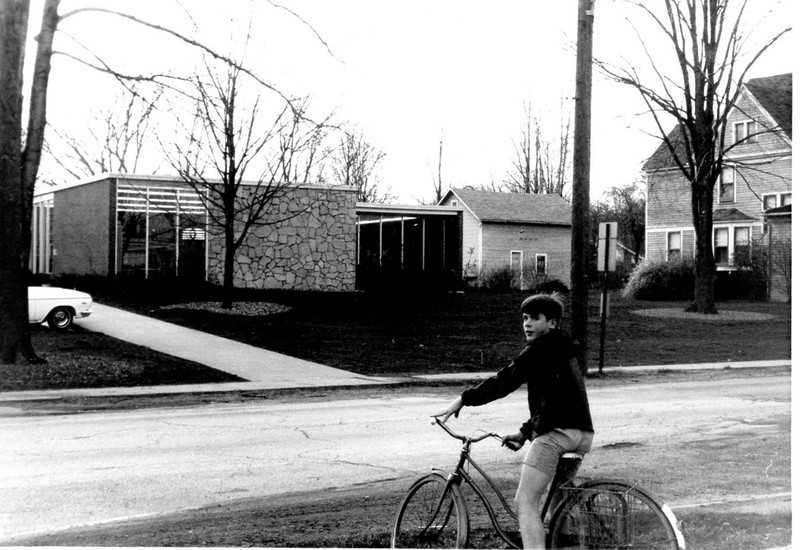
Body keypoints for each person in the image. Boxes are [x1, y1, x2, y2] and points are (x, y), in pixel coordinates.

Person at [433, 293, 594, 549]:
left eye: (535, 318)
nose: (527, 324)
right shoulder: (562, 349)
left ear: (552, 323)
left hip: (556, 435)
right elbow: (554, 400)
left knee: (525, 502)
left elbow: (504, 381)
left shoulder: (539, 349)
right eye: (525, 318)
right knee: (557, 505)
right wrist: (525, 432)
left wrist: (463, 399)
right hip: (581, 433)